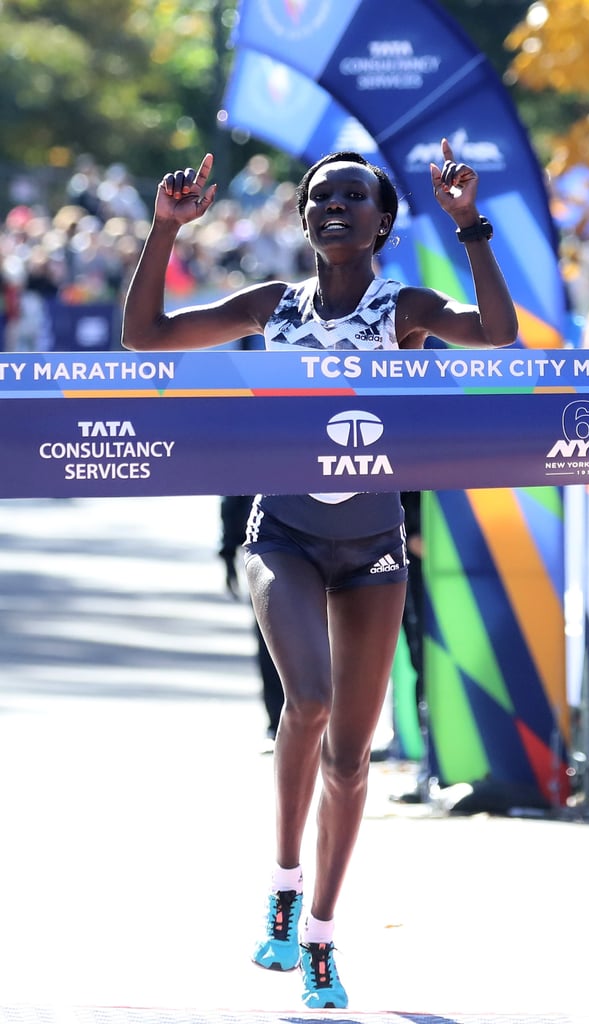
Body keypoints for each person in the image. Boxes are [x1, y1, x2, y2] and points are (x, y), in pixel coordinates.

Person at [121, 139, 518, 1009]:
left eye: (352, 196)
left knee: (349, 762)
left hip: (373, 544)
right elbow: (145, 336)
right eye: (319, 197)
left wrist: (469, 226)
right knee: (308, 700)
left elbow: (496, 333)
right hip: (285, 534)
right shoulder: (273, 304)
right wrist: (163, 232)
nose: (333, 205)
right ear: (303, 220)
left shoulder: (402, 305)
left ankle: (324, 940)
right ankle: (282, 879)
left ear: (381, 222)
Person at [219, 494, 284, 748]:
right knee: (272, 639)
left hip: (322, 538)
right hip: (267, 543)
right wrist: (227, 546)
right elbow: (235, 479)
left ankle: (286, 724)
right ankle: (278, 723)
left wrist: (227, 547)